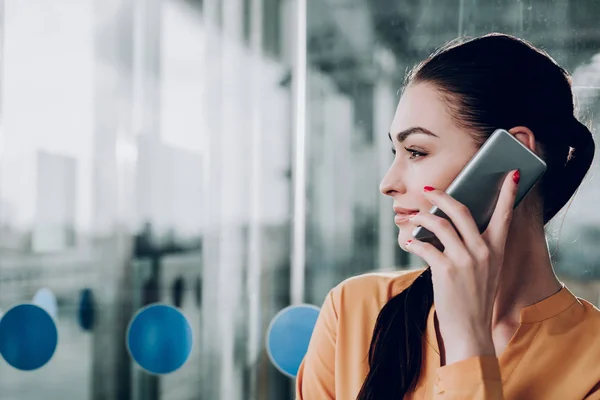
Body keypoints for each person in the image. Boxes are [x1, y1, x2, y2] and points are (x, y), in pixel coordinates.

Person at [295, 33, 600, 399]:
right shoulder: (351, 313)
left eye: (417, 152)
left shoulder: (592, 360)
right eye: (396, 151)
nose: (388, 183)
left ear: (510, 158)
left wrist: (468, 340)